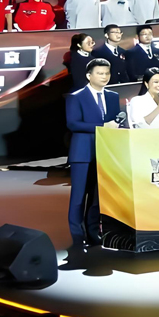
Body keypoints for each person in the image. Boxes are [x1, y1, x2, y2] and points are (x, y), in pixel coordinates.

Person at [65, 58, 121, 248]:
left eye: (107, 73)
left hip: (105, 153)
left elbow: (115, 122)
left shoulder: (113, 96)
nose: (104, 77)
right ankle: (77, 235)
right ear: (89, 76)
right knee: (79, 197)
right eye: (100, 73)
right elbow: (73, 124)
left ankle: (93, 232)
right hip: (82, 153)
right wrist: (102, 126)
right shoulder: (76, 97)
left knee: (97, 198)